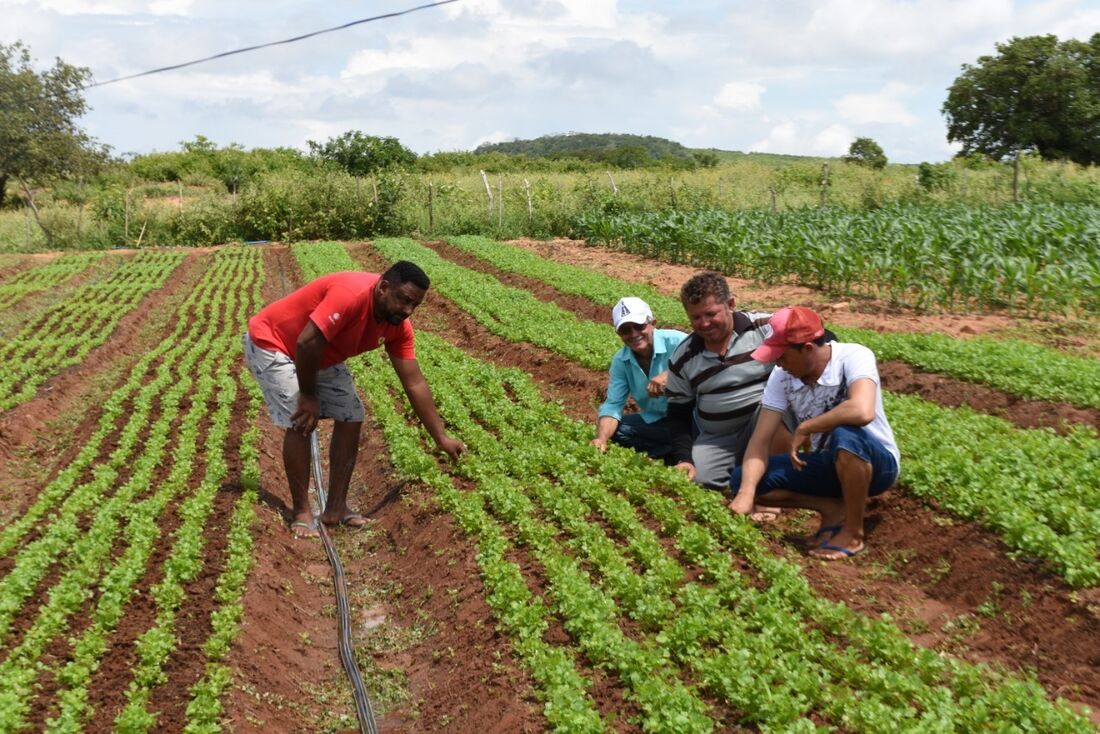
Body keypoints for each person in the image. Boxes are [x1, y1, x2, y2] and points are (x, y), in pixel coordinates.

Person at [243, 261, 464, 538]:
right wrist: (309, 396)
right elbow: (306, 342)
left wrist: (441, 437)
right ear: (383, 287)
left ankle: (335, 508)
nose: (408, 311)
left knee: (352, 414)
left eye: (415, 306)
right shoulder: (350, 295)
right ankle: (301, 511)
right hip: (273, 343)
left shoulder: (398, 326)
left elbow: (414, 382)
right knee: (302, 419)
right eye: (404, 300)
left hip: (321, 352)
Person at [727, 306, 900, 560]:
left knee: (846, 434)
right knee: (744, 478)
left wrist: (808, 426)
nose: (779, 363)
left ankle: (853, 533)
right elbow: (760, 440)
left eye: (783, 356)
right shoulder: (781, 376)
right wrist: (745, 494)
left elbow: (863, 411)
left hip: (875, 463)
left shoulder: (853, 356)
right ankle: (832, 508)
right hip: (828, 464)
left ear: (807, 348)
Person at [664, 271, 795, 519]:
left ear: (731, 304)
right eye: (696, 317)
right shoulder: (683, 357)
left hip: (764, 419)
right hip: (720, 435)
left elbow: (814, 337)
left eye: (711, 314)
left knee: (775, 410)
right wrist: (684, 458)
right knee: (699, 479)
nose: (704, 323)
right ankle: (744, 467)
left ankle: (771, 493)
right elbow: (678, 413)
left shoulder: (764, 327)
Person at [591, 297, 687, 462]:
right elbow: (613, 404)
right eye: (625, 330)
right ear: (618, 334)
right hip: (660, 422)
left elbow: (709, 365)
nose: (634, 334)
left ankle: (675, 452)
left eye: (639, 326)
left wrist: (671, 374)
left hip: (693, 420)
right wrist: (601, 438)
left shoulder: (678, 341)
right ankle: (675, 452)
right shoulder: (621, 361)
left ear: (653, 323)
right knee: (617, 431)